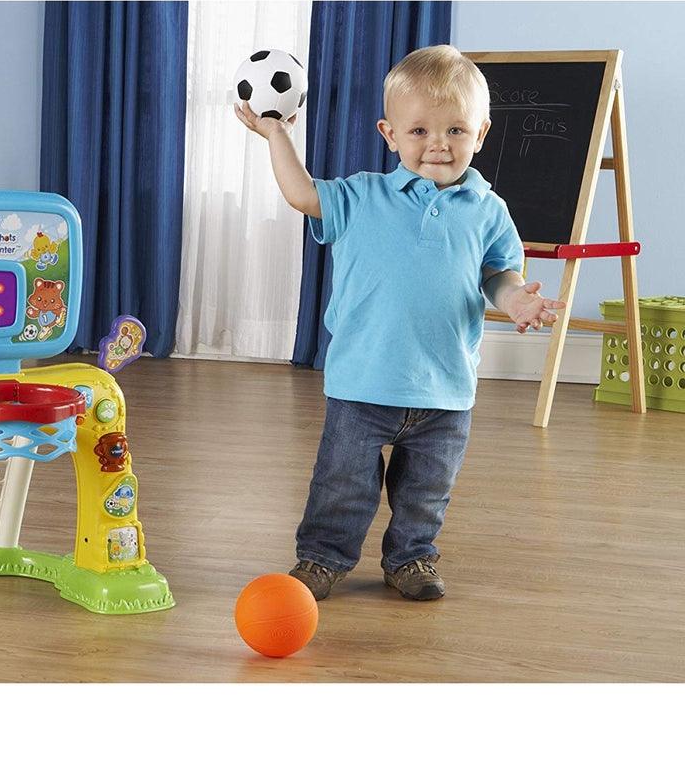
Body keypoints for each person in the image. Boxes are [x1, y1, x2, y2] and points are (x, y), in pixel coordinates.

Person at [235, 44, 565, 601]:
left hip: (445, 387)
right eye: (419, 131)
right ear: (390, 135)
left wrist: (516, 301)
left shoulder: (489, 210)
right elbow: (301, 193)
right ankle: (323, 557)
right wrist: (277, 136)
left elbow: (499, 275)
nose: (438, 143)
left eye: (455, 130)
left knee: (426, 492)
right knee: (342, 485)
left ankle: (411, 557)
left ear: (481, 134)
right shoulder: (361, 196)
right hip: (363, 382)